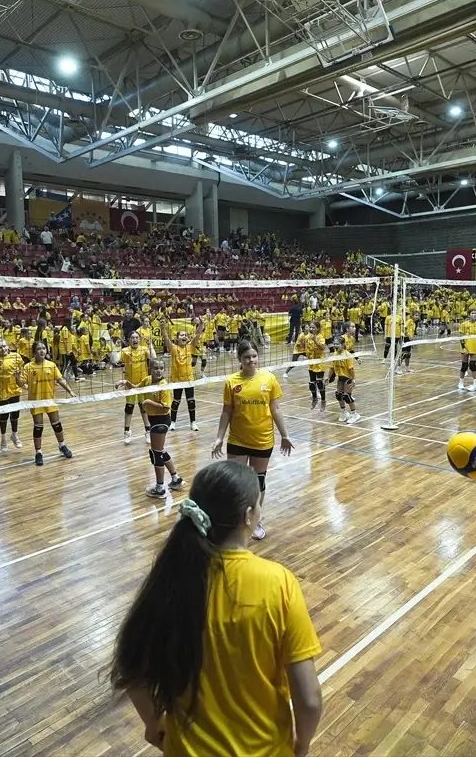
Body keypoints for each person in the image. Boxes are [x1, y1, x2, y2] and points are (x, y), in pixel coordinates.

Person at [110, 461, 323, 756]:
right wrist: (302, 745)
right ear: (248, 515)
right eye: (258, 506)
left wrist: (152, 724)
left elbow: (131, 670)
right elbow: (309, 700)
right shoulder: (279, 583)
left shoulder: (171, 579)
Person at [211, 340, 293, 540]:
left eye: (254, 356)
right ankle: (237, 519)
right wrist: (219, 437)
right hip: (237, 440)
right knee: (236, 483)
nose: (251, 360)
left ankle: (255, 520)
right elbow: (226, 411)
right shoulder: (232, 382)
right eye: (246, 357)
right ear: (239, 359)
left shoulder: (269, 378)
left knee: (258, 482)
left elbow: (275, 409)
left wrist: (285, 435)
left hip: (262, 440)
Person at [120, 358, 183, 497]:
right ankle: (175, 478)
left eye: (161, 368)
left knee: (156, 454)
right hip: (153, 419)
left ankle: (160, 488)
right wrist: (126, 382)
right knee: (160, 451)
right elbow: (136, 388)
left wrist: (148, 402)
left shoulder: (164, 386)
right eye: (155, 368)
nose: (158, 371)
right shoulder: (147, 380)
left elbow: (166, 407)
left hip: (161, 420)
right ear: (150, 369)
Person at [21, 341, 76, 467]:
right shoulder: (28, 367)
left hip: (50, 400)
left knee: (57, 424)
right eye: (39, 349)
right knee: (38, 427)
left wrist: (70, 391)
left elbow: (60, 379)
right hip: (36, 401)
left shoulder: (51, 365)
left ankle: (62, 446)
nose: (42, 351)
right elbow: (21, 383)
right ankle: (38, 453)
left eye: (44, 348)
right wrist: (18, 377)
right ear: (34, 352)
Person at [162, 319, 201, 432]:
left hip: (189, 379)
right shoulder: (173, 348)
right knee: (176, 401)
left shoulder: (190, 347)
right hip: (177, 380)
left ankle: (193, 422)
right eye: (182, 335)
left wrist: (201, 324)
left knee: (191, 401)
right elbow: (166, 338)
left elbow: (197, 335)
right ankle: (173, 422)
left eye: (186, 335)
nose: (184, 337)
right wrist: (163, 327)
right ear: (177, 338)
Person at [120, 331, 152, 444]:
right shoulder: (125, 351)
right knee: (129, 407)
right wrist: (116, 346)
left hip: (143, 384)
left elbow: (154, 358)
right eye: (132, 338)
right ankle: (127, 432)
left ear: (139, 339)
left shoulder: (144, 349)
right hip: (130, 384)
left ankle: (148, 431)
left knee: (144, 407)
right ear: (129, 340)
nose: (135, 340)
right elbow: (114, 360)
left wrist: (151, 345)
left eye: (137, 338)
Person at [326, 338, 360, 423]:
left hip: (348, 378)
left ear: (342, 345)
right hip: (340, 378)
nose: (335, 346)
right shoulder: (335, 354)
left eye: (337, 344)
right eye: (334, 344)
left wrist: (353, 380)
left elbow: (351, 369)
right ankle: (344, 412)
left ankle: (354, 414)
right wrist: (328, 377)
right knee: (338, 395)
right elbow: (331, 368)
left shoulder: (347, 355)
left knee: (347, 396)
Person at [458, 310, 476, 392]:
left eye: (475, 313)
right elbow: (461, 337)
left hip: (474, 347)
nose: (474, 314)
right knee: (464, 366)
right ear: (469, 315)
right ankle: (460, 383)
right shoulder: (464, 324)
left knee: (472, 365)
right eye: (472, 313)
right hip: (465, 347)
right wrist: (463, 347)